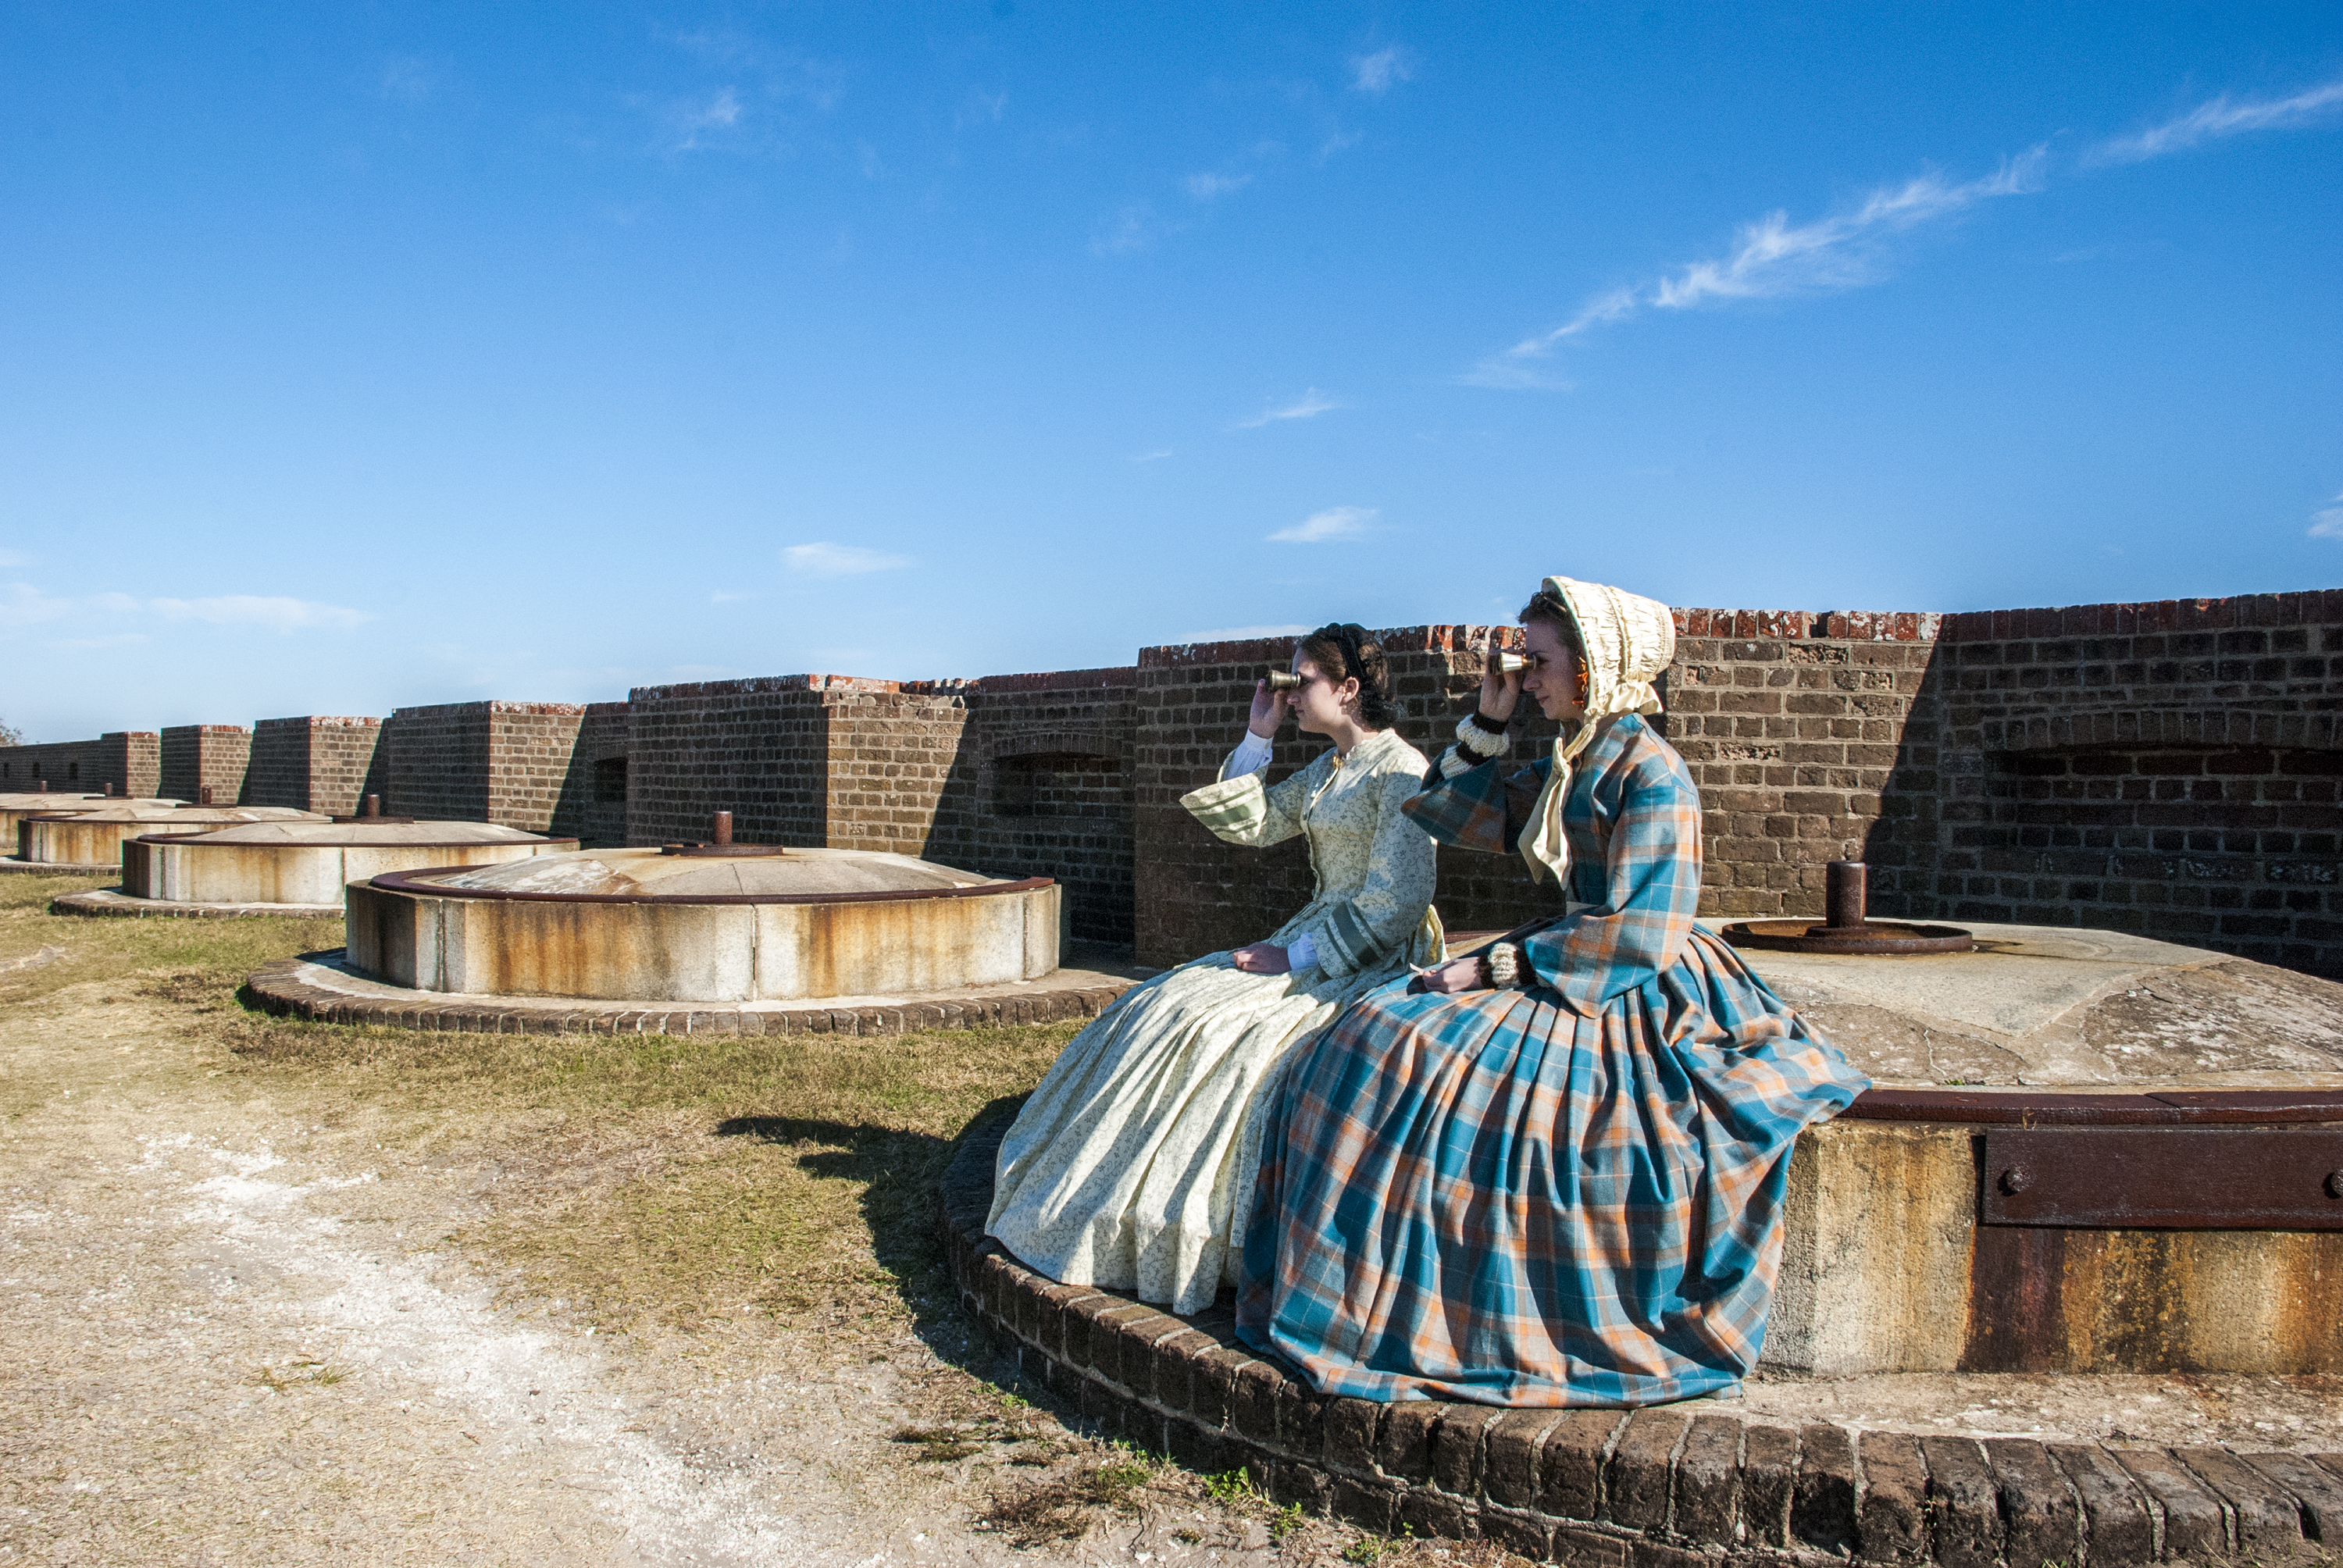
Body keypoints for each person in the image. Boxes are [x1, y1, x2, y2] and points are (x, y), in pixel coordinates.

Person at [1236, 578, 1870, 1406]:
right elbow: (1443, 808)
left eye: (1539, 662)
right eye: (1525, 662)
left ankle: (1470, 1317)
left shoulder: (1654, 773)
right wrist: (1491, 719)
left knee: (1442, 1061)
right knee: (1374, 1028)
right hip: (1558, 953)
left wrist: (1493, 967)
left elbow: (1642, 929)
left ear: (1596, 665)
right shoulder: (1572, 759)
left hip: (1624, 977)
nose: (1528, 676)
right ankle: (1349, 1296)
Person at [987, 623, 1442, 1316]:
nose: (1289, 695)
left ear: (1348, 689)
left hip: (1365, 954)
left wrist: (1294, 958)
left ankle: (1183, 1224)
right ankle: (1092, 1194)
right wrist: (1259, 735)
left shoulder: (1400, 768)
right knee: (1167, 999)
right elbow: (1252, 824)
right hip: (1312, 936)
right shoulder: (1328, 770)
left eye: (1301, 683)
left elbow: (1398, 897)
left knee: (1222, 1032)